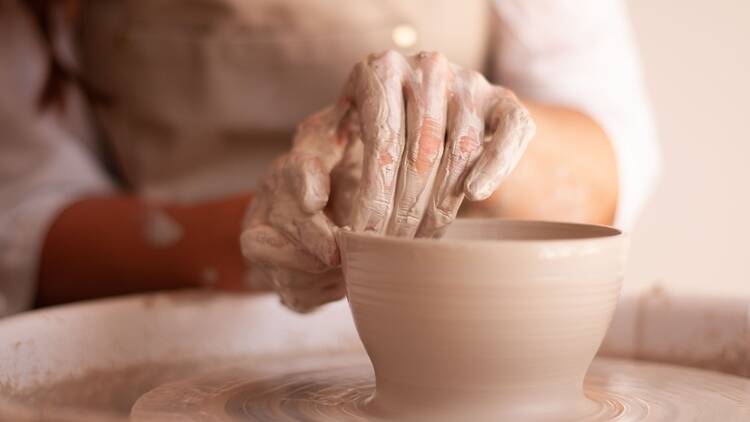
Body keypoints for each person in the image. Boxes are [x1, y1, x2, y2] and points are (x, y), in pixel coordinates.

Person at [0, 0, 659, 317]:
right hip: (160, 334)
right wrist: (255, 236)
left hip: (451, 331)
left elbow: (611, 165)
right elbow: (23, 221)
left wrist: (483, 145)